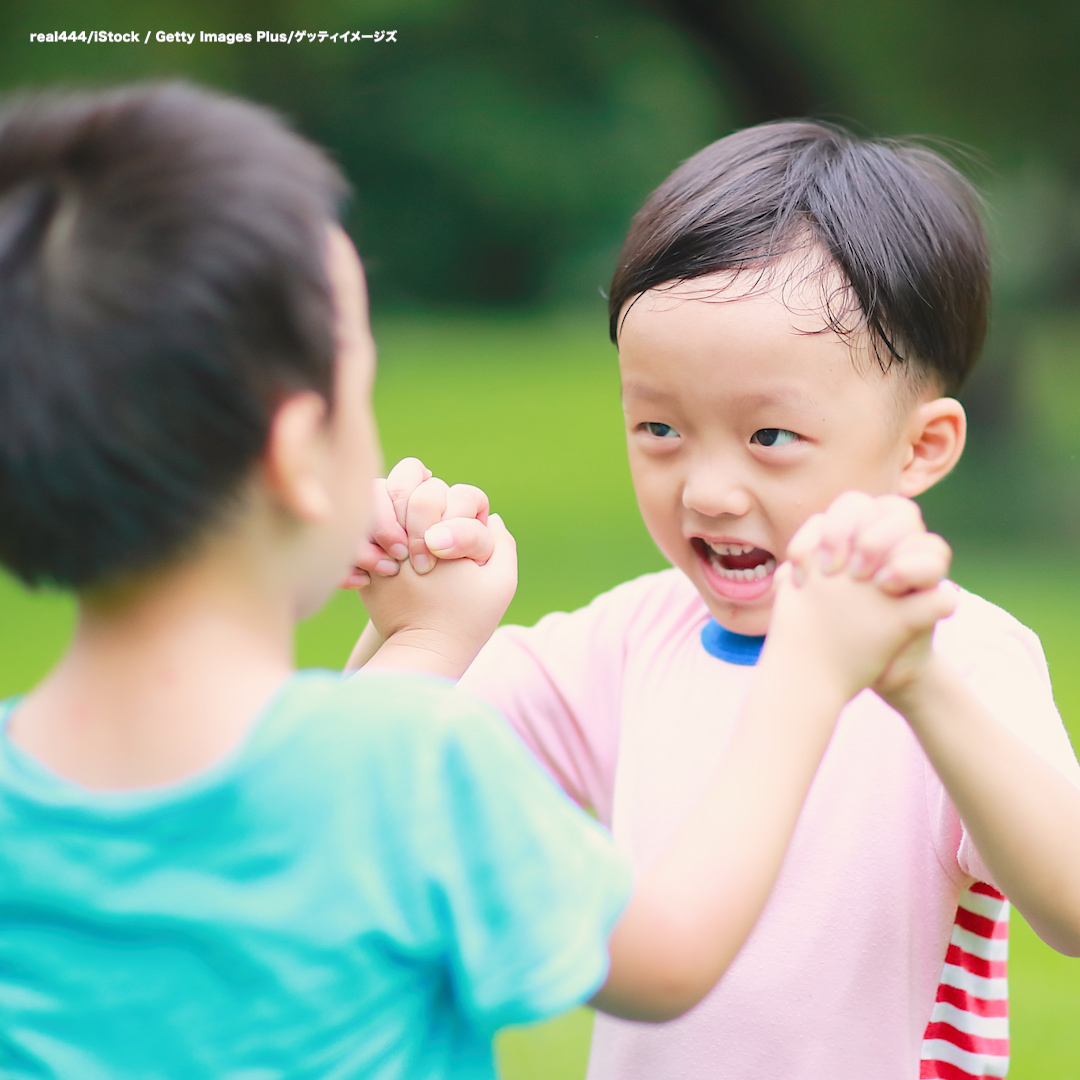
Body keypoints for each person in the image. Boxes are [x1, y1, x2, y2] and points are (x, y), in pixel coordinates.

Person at [0, 85, 960, 1079]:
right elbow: (666, 956)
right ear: (297, 453)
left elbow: (305, 784)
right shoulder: (414, 768)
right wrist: (807, 670)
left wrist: (423, 643)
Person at [351, 122, 1080, 1080]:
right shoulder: (625, 642)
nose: (708, 490)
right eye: (659, 426)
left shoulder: (963, 657)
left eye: (770, 436)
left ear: (921, 447)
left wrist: (921, 686)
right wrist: (413, 629)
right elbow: (363, 792)